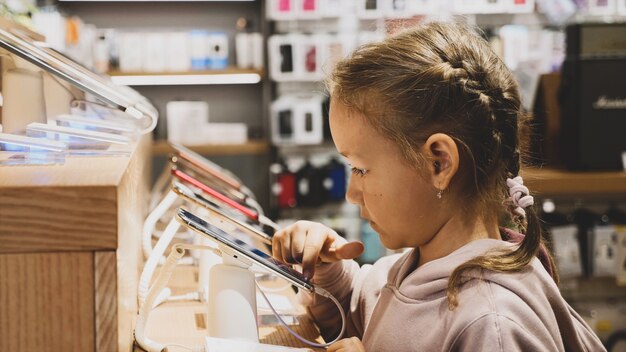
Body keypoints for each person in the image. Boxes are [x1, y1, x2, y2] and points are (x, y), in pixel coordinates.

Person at [271, 22, 606, 352]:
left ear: (439, 163)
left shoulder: (492, 325)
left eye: (361, 169)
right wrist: (331, 276)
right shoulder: (416, 267)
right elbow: (371, 313)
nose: (351, 193)